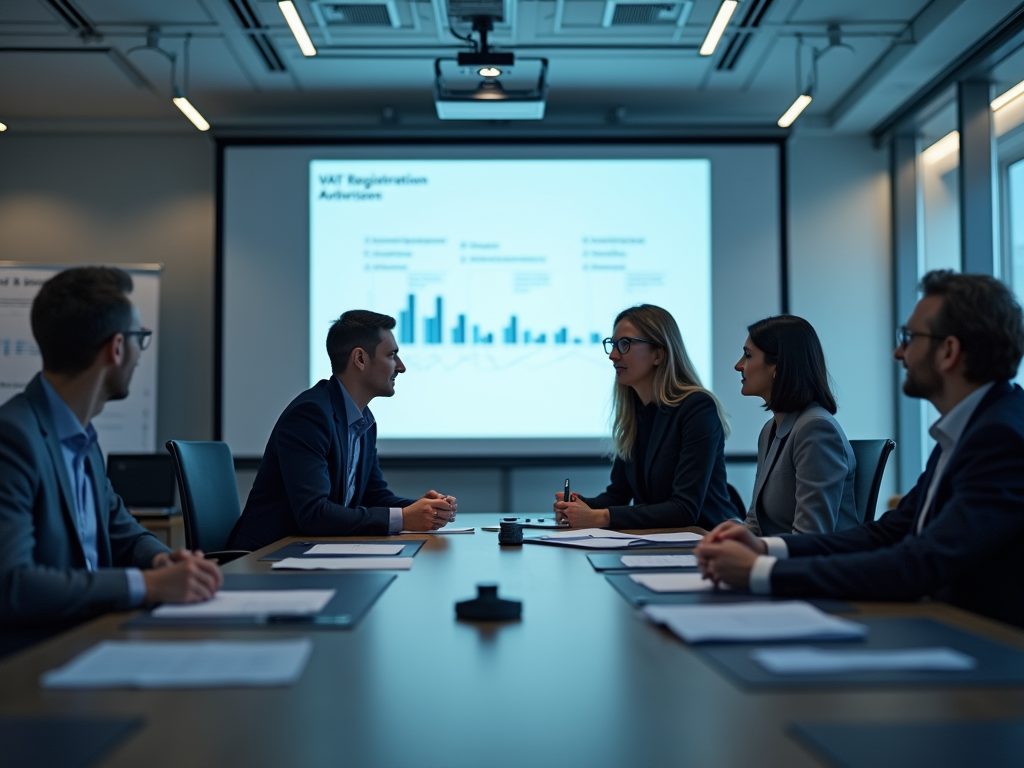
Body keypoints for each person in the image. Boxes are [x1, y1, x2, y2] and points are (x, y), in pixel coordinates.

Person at [695, 270, 1024, 628]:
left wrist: (763, 572)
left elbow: (922, 563)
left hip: (984, 647)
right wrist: (765, 549)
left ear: (949, 351)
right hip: (941, 626)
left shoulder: (1001, 438)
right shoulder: (968, 428)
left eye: (909, 338)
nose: (898, 352)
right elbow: (889, 532)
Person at [0, 267, 223, 627]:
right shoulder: (14, 438)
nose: (140, 351)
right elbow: (12, 584)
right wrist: (147, 585)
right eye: (140, 338)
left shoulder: (83, 439)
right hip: (39, 658)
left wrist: (161, 562)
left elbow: (121, 529)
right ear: (116, 348)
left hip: (95, 635)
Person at [228, 310, 457, 550]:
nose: (401, 367)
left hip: (308, 550)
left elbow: (374, 496)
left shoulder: (364, 420)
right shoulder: (310, 415)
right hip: (265, 558)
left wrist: (422, 508)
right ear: (360, 359)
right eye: (392, 355)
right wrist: (404, 517)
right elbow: (314, 514)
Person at [553, 304, 739, 529]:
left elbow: (684, 510)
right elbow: (618, 495)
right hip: (657, 542)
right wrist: (579, 506)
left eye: (624, 344)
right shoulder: (635, 413)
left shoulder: (697, 408)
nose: (612, 355)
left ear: (658, 354)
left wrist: (602, 517)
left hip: (707, 542)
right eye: (612, 345)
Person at [735, 315, 858, 535]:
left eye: (748, 356)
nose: (738, 365)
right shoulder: (769, 431)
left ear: (778, 366)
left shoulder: (817, 429)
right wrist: (729, 541)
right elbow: (755, 522)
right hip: (781, 560)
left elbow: (810, 535)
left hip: (813, 566)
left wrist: (753, 552)